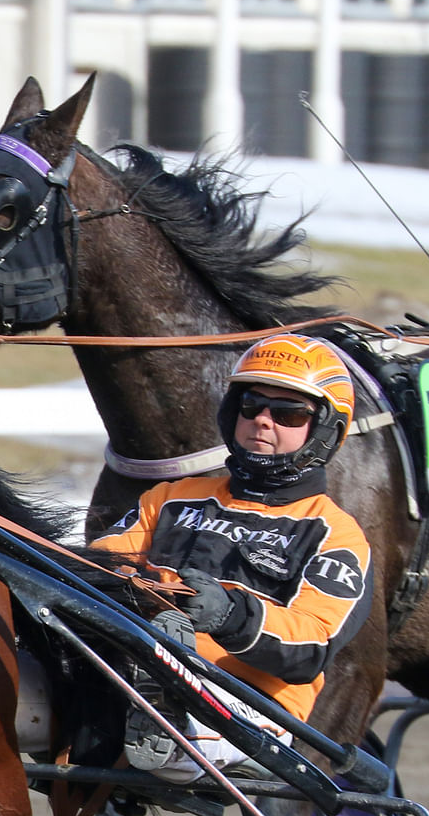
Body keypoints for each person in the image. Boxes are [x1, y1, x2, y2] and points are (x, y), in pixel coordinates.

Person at [90, 333, 373, 779]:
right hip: (132, 669)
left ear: (324, 430)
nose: (262, 420)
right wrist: (141, 589)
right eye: (251, 406)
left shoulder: (335, 534)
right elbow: (97, 567)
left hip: (250, 701)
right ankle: (158, 692)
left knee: (173, 740)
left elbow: (313, 646)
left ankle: (169, 706)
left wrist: (231, 616)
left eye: (287, 413)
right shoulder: (171, 497)